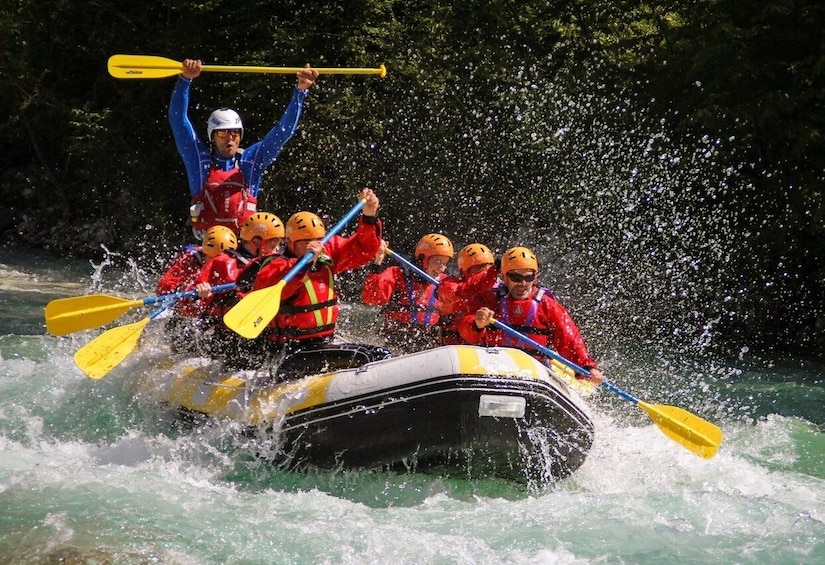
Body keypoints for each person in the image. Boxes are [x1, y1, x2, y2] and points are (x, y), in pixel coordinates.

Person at [169, 58, 319, 236]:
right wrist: (185, 80)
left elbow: (283, 132)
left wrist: (300, 92)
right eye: (223, 134)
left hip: (244, 248)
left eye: (234, 133)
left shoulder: (250, 161)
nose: (230, 139)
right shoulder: (199, 161)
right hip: (208, 246)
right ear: (212, 136)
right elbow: (178, 120)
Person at [244, 188, 383, 371]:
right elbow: (276, 288)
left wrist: (369, 217)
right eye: (307, 242)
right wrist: (304, 262)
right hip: (290, 352)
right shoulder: (277, 265)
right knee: (366, 357)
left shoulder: (327, 253)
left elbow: (363, 249)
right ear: (291, 243)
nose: (317, 245)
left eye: (319, 239)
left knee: (380, 355)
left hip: (322, 344)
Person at [458, 246, 604, 384]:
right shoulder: (489, 300)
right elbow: (466, 331)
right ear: (504, 277)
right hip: (494, 367)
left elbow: (569, 338)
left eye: (528, 278)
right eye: (516, 277)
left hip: (534, 371)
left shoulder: (547, 305)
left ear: (535, 277)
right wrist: (477, 324)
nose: (523, 283)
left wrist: (587, 367)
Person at [362, 233, 454, 353]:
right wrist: (378, 261)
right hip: (396, 342)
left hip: (430, 346)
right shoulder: (398, 275)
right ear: (422, 259)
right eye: (438, 261)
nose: (442, 268)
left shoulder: (445, 283)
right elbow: (371, 298)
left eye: (445, 263)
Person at [156, 225, 238, 353]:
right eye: (211, 259)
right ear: (205, 252)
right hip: (186, 316)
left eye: (220, 261)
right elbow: (164, 288)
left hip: (214, 318)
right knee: (182, 336)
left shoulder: (232, 265)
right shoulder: (190, 260)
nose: (214, 265)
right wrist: (191, 289)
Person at [437, 243, 499, 345]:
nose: (485, 271)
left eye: (489, 267)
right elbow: (465, 289)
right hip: (453, 348)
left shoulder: (496, 291)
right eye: (480, 267)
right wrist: (491, 272)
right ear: (464, 271)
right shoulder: (449, 285)